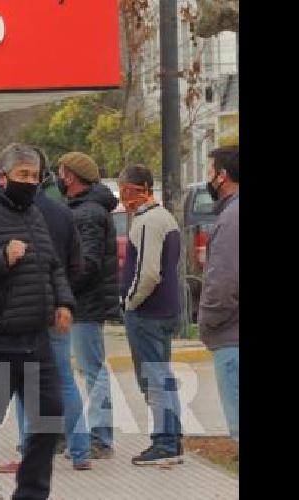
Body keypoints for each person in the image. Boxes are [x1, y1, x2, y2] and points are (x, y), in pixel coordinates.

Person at [0, 143, 75, 499]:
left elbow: (52, 265)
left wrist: (63, 302)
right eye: (23, 175)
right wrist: (1, 257)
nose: (30, 182)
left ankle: (32, 493)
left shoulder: (34, 214)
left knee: (49, 419)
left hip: (36, 339)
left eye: (35, 176)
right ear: (2, 176)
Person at [0, 145, 89, 474]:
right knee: (64, 380)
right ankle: (80, 449)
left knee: (23, 384)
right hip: (57, 310)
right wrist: (64, 299)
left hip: (26, 310)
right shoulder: (63, 213)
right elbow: (77, 263)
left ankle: (27, 452)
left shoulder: (13, 213)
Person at [117, 165, 185, 466]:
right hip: (167, 308)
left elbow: (148, 273)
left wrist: (130, 301)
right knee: (163, 376)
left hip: (148, 312)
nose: (123, 196)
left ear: (140, 188)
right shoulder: (166, 217)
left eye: (126, 189)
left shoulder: (147, 221)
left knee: (153, 378)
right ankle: (173, 437)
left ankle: (164, 442)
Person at [56, 152, 121, 460]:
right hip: (84, 302)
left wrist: (64, 293)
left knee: (92, 369)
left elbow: (88, 263)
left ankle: (99, 436)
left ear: (70, 176)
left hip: (86, 304)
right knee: (87, 368)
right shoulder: (83, 209)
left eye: (60, 171)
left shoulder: (88, 213)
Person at [198, 145, 239, 443]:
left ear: (222, 176)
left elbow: (224, 282)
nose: (207, 178)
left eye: (209, 171)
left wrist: (208, 321)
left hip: (231, 335)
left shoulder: (231, 218)